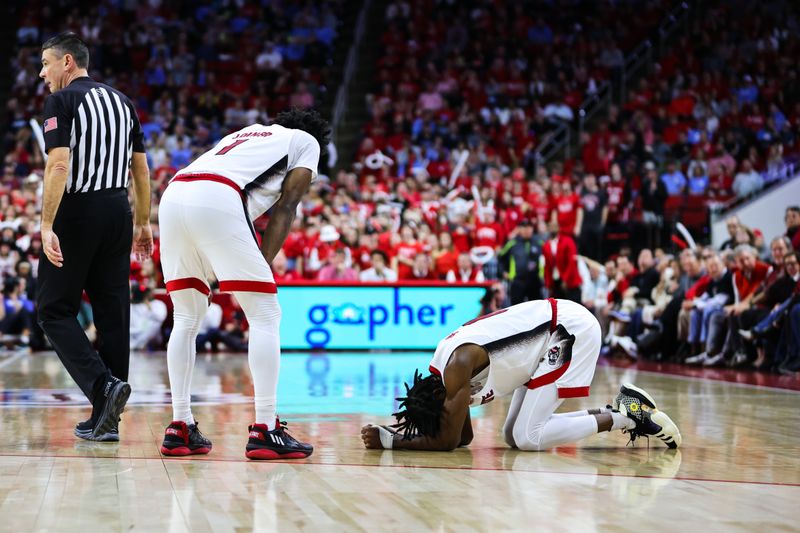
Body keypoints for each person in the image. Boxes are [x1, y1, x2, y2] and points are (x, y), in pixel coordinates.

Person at [158, 108, 330, 459]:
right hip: (218, 198)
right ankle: (265, 428)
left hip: (175, 193)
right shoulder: (305, 141)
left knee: (186, 318)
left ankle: (180, 426)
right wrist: (261, 266)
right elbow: (287, 206)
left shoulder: (248, 133)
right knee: (265, 313)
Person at [360, 299, 681, 451]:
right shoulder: (445, 372)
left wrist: (394, 440)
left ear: (441, 398)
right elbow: (462, 438)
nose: (450, 415)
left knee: (528, 437)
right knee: (514, 436)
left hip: (567, 331)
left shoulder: (456, 367)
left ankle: (627, 416)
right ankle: (620, 410)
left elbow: (446, 440)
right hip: (546, 339)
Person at [37, 32, 153, 442]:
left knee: (52, 310)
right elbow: (141, 170)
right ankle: (108, 420)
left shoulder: (62, 100)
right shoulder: (123, 102)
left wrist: (47, 224)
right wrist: (142, 222)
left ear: (67, 62)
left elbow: (58, 165)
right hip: (118, 212)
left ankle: (103, 387)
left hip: (79, 211)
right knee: (112, 314)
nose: (42, 73)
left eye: (47, 63)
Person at [498, 219, 542, 305]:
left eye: (529, 227)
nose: (526, 230)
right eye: (524, 227)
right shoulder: (512, 243)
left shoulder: (539, 242)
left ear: (532, 229)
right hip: (517, 281)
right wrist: (503, 272)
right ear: (519, 229)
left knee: (536, 308)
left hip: (535, 281)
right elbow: (500, 258)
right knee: (516, 308)